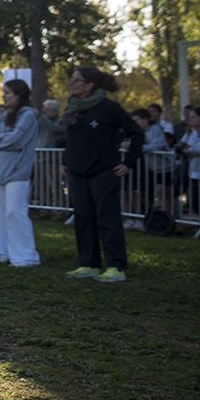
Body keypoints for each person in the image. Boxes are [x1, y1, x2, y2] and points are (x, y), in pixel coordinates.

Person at [61, 67, 142, 283]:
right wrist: (66, 161)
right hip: (78, 173)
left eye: (77, 80)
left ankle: (116, 266)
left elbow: (136, 132)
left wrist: (129, 163)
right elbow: (70, 137)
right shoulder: (73, 107)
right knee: (83, 218)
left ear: (90, 85)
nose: (72, 83)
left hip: (104, 171)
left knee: (107, 219)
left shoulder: (109, 108)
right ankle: (88, 264)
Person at [0, 79, 41, 268]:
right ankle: (4, 251)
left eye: (8, 93)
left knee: (14, 212)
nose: (4, 96)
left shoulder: (29, 115)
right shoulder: (3, 115)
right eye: (4, 92)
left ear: (19, 95)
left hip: (17, 171)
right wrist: (1, 140)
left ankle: (25, 255)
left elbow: (16, 139)